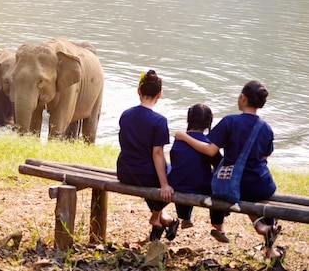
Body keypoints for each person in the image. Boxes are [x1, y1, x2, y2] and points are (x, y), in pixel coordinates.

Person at [175, 80, 281, 259]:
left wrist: (185, 137)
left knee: (219, 183)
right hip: (260, 184)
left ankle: (225, 225)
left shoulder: (230, 121)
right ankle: (269, 248)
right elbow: (264, 156)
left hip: (234, 185)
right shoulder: (266, 128)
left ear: (243, 98)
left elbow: (210, 150)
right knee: (258, 197)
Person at [117, 70, 179, 241]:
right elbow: (157, 153)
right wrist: (165, 184)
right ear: (159, 95)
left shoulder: (126, 115)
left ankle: (162, 219)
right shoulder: (159, 121)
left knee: (149, 173)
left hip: (124, 172)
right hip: (145, 175)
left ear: (139, 91)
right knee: (178, 178)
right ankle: (156, 216)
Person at [168, 103, 229, 243]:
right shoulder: (208, 143)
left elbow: (177, 162)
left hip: (178, 185)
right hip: (201, 187)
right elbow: (220, 165)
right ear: (208, 123)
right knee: (217, 184)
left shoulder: (178, 141)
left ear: (188, 120)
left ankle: (185, 216)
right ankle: (218, 224)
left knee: (183, 174)